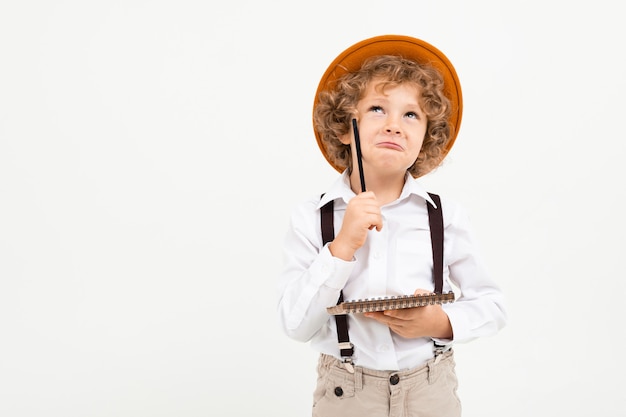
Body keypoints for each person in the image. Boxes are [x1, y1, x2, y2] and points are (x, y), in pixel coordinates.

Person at [276, 34, 507, 417]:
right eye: (377, 109)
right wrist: (341, 248)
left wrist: (440, 321)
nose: (395, 125)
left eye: (411, 114)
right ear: (342, 128)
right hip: (346, 393)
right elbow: (295, 325)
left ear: (426, 138)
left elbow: (493, 307)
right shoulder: (311, 218)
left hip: (430, 389)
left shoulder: (446, 216)